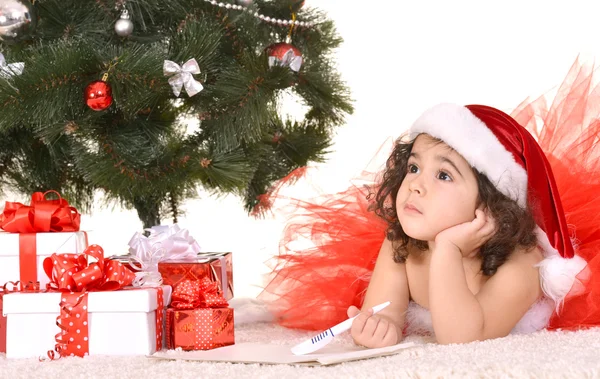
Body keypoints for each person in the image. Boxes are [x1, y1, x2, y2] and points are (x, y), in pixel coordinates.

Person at [259, 59, 600, 346]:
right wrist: (381, 327)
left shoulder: (521, 267)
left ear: (490, 203)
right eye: (414, 167)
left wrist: (449, 250)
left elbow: (463, 339)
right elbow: (384, 310)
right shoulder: (404, 244)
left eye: (444, 175)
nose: (416, 185)